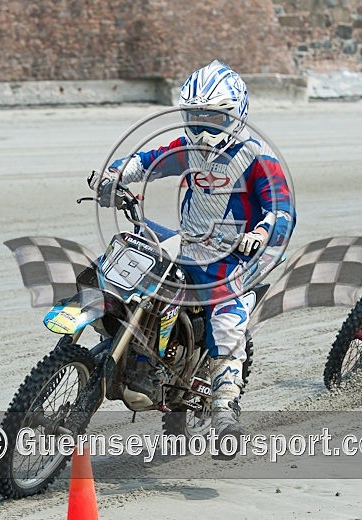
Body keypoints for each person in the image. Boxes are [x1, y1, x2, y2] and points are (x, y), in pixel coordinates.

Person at [91, 60, 295, 445]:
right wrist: (113, 174)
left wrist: (262, 232)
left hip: (233, 254)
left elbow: (282, 209)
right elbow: (148, 161)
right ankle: (124, 338)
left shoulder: (258, 157)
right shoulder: (189, 147)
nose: (201, 127)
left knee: (227, 318)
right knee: (132, 253)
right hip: (188, 242)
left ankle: (224, 409)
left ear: (234, 114)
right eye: (194, 116)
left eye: (211, 118)